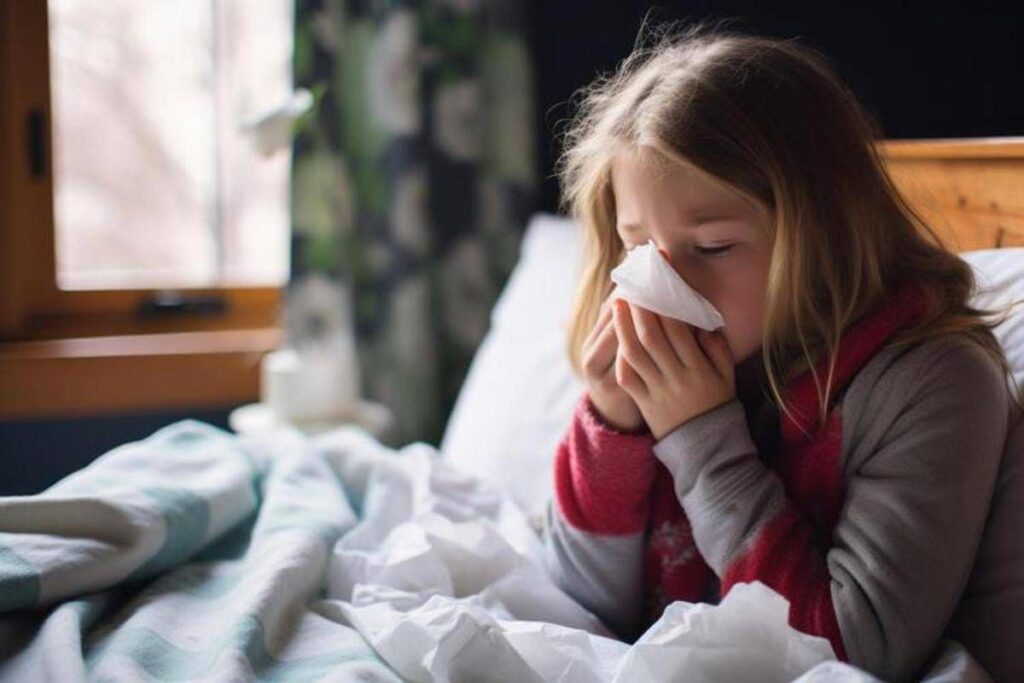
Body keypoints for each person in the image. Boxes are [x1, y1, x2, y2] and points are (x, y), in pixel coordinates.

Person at [539, 19, 1024, 682]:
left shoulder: (933, 379)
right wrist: (612, 427)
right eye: (637, 248)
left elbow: (853, 653)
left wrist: (701, 438)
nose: (662, 285)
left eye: (712, 248)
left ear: (823, 235)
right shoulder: (682, 353)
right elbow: (579, 602)